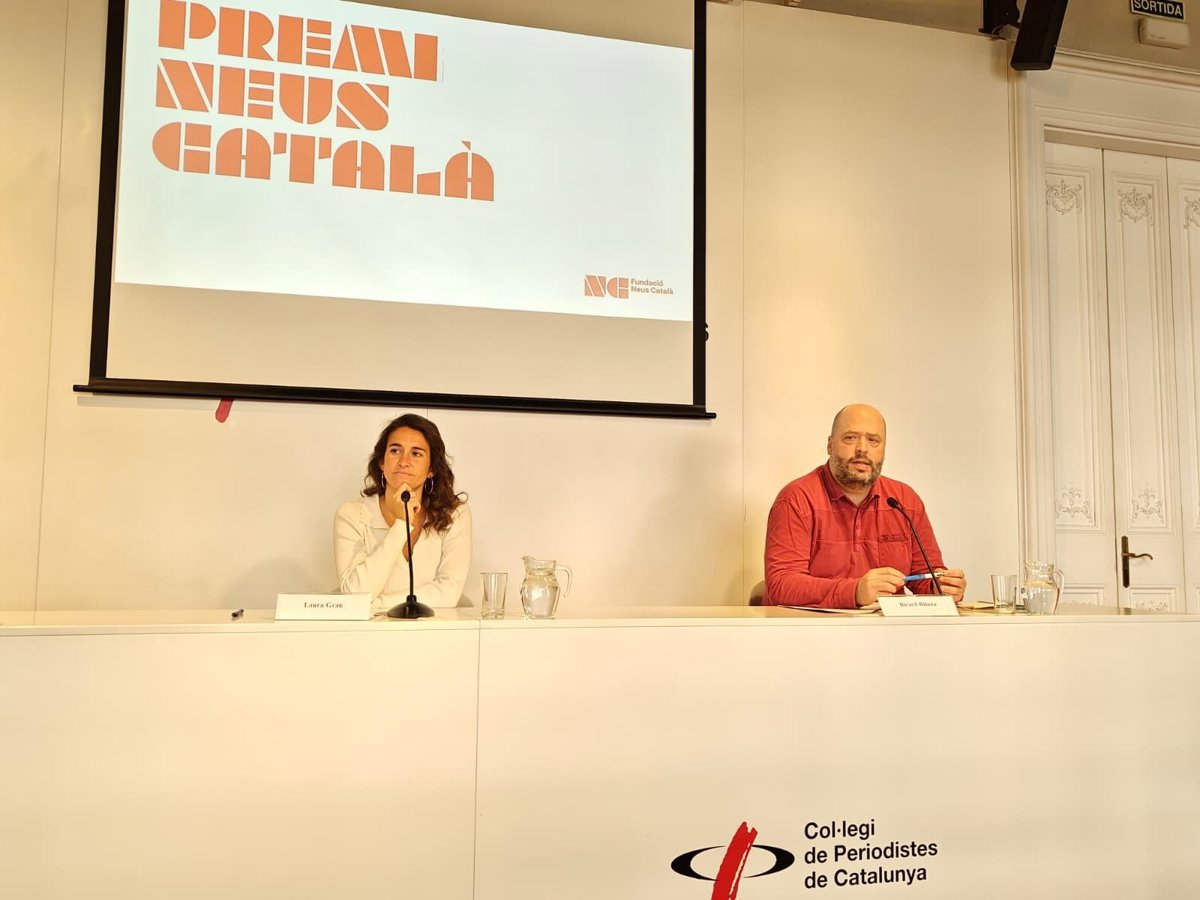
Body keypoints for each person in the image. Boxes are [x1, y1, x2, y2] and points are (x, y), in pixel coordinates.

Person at [763, 404, 966, 608]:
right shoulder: (796, 499)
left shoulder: (905, 501)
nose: (862, 448)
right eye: (850, 437)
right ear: (830, 445)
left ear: (884, 449)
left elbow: (925, 577)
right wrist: (855, 591)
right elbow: (781, 585)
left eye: (873, 440)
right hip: (813, 626)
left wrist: (941, 587)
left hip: (886, 627)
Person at [334, 414, 472, 614]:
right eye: (395, 451)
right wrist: (400, 525)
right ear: (382, 462)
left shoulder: (455, 514)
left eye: (416, 454)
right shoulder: (352, 514)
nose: (404, 461)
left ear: (432, 469)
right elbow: (355, 594)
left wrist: (377, 604)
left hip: (435, 629)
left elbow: (449, 592)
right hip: (370, 630)